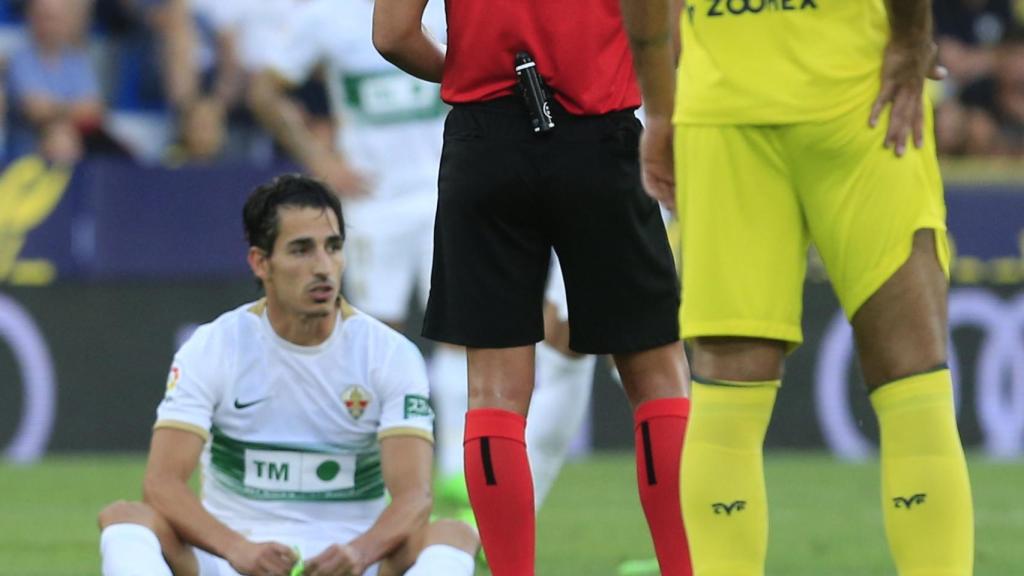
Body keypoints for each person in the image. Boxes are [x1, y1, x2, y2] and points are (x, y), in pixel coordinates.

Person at [621, 0, 974, 574]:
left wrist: (660, 110)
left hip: (726, 105)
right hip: (862, 95)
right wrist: (911, 39)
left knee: (726, 397)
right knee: (913, 377)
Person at [373, 3, 693, 575]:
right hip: (602, 133)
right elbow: (665, 26)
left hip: (484, 138)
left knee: (494, 393)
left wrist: (466, 69)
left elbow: (392, 34)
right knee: (657, 377)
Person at [247, 0, 599, 517]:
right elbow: (265, 88)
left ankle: (458, 475)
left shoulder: (451, 6)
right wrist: (320, 157)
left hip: (449, 185)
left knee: (464, 328)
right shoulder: (325, 15)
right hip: (374, 202)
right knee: (373, 336)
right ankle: (371, 473)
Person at [96, 174, 478, 576]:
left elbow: (414, 496)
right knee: (126, 518)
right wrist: (237, 548)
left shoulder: (390, 353)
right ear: (261, 262)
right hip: (235, 560)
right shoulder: (213, 346)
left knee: (453, 534)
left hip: (349, 562)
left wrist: (359, 554)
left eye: (333, 248)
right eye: (301, 250)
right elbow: (162, 484)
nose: (323, 267)